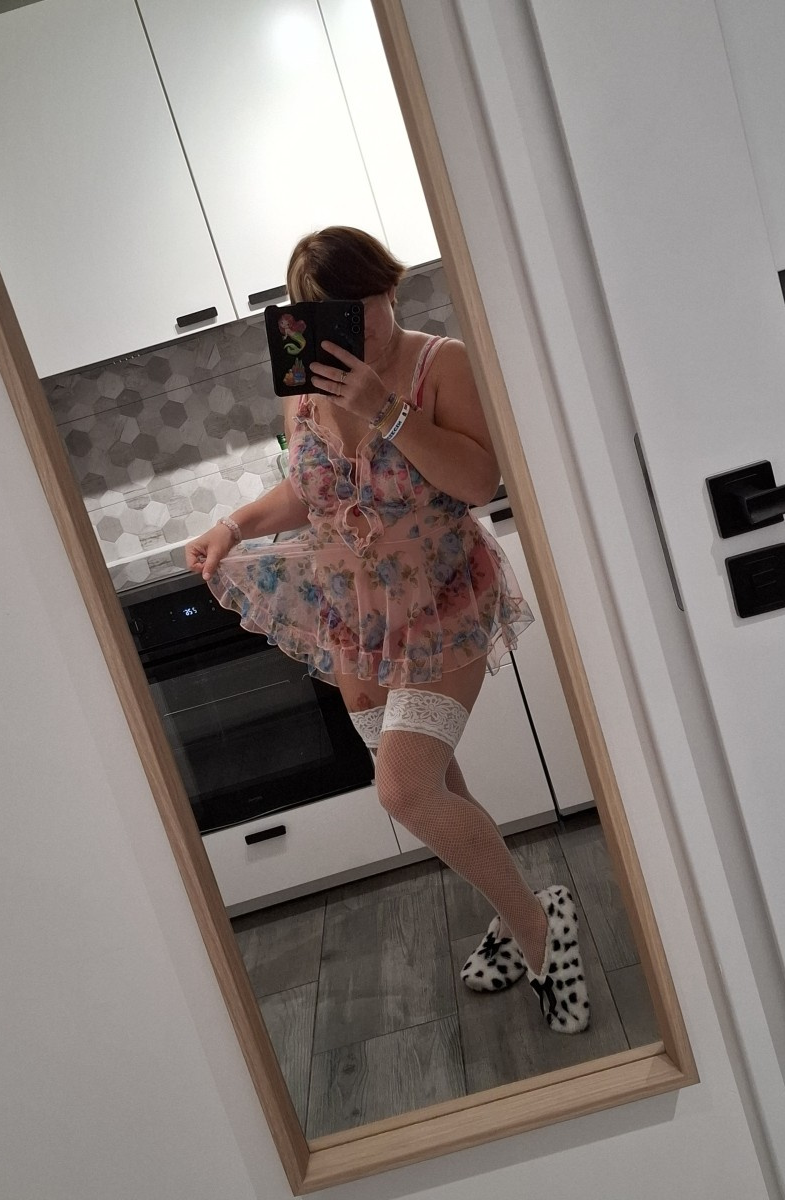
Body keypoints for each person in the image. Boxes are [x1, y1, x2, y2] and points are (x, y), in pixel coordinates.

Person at [185, 227, 589, 1033]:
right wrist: (232, 525)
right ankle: (516, 907)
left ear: (389, 287)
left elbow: (477, 480)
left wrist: (384, 409)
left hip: (442, 600)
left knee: (403, 790)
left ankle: (545, 933)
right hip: (352, 617)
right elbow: (310, 492)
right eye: (328, 313)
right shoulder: (303, 388)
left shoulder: (444, 362)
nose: (353, 326)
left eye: (362, 305)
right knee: (435, 789)